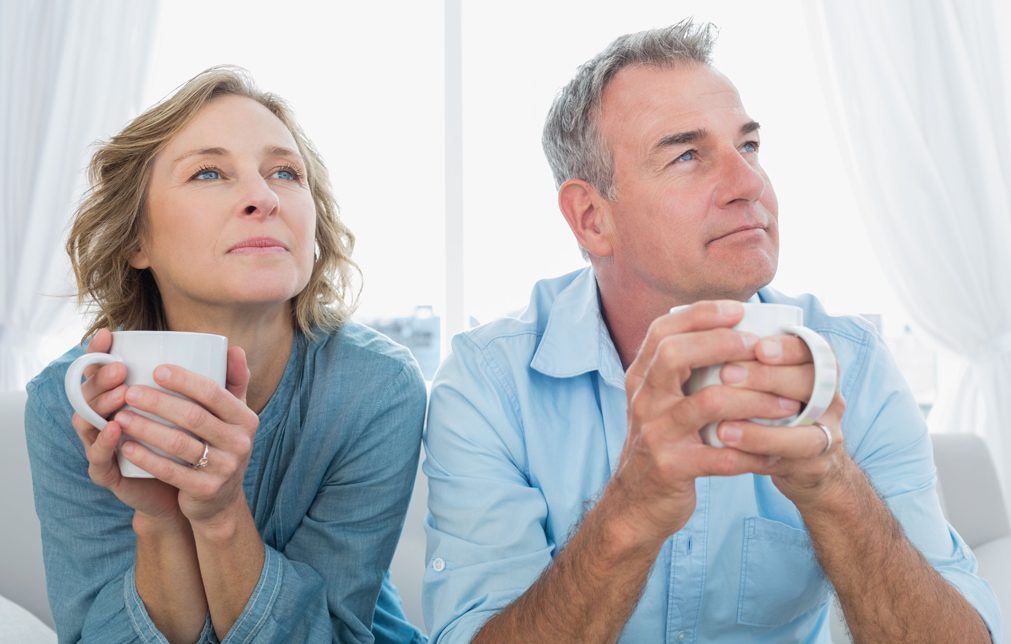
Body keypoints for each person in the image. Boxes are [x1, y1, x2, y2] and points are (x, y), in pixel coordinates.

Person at [423, 20, 1001, 643]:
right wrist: (633, 508)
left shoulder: (852, 363)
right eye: (688, 155)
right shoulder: (490, 384)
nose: (750, 185)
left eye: (748, 147)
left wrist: (831, 486)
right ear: (591, 218)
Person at [26, 66, 427, 643]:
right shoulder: (71, 403)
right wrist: (160, 517)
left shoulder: (374, 388)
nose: (263, 198)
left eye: (285, 173)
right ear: (136, 239)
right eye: (209, 172)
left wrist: (218, 515)